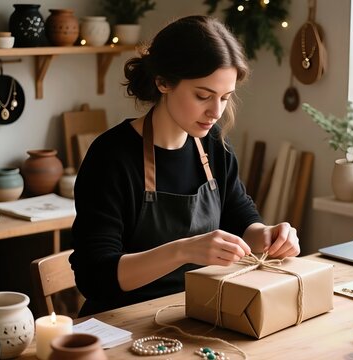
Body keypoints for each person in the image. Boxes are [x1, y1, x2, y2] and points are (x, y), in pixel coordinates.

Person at [70, 15, 300, 316]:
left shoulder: (213, 145)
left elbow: (240, 216)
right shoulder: (111, 157)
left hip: (192, 311)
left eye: (225, 98)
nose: (216, 111)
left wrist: (269, 235)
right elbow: (94, 277)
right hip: (123, 322)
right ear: (163, 81)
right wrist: (184, 250)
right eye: (203, 96)